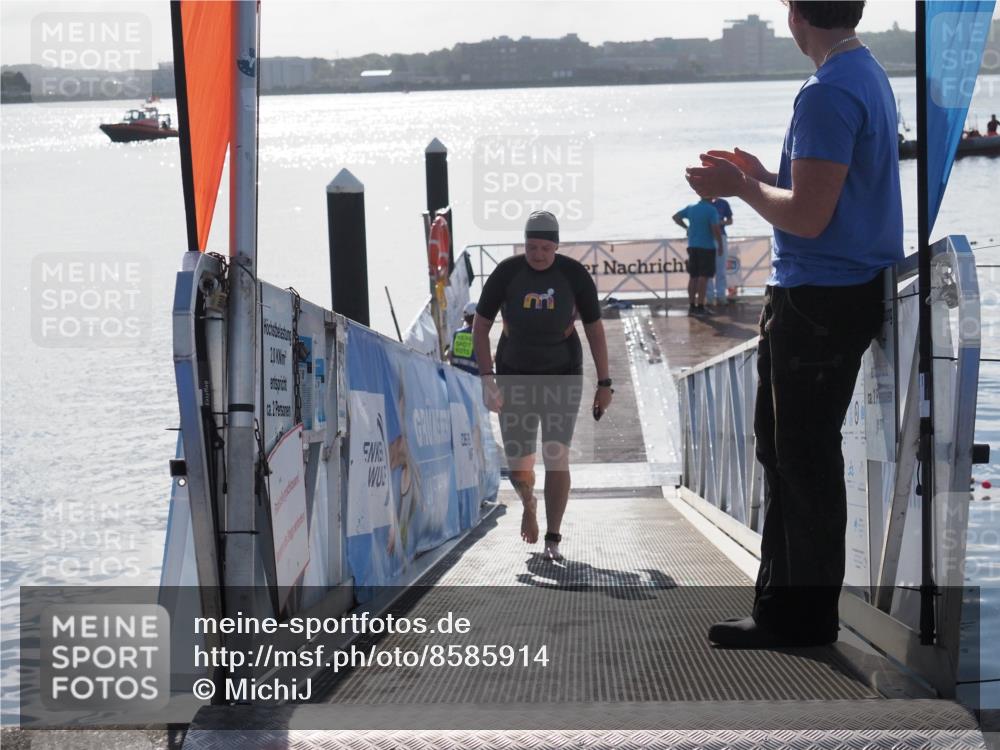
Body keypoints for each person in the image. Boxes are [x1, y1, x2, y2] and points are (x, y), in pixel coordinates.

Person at [685, 0, 903, 648]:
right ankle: (786, 608)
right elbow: (826, 194)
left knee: (799, 459)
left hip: (819, 298)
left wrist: (739, 188)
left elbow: (807, 219)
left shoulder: (828, 91)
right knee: (786, 452)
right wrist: (761, 177)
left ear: (794, 15)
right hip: (836, 292)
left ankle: (801, 618)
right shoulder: (865, 75)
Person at [472, 210, 612, 561]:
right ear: (524, 244)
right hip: (513, 372)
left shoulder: (573, 274)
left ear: (556, 246)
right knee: (519, 461)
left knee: (556, 455)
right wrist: (487, 377)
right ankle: (528, 505)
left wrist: (605, 382)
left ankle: (553, 536)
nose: (537, 254)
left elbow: (595, 328)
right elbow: (480, 325)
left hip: (562, 372)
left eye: (545, 247)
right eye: (531, 246)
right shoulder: (507, 272)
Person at [672, 194, 723, 315]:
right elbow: (715, 229)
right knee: (703, 277)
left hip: (692, 246)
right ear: (711, 197)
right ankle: (700, 305)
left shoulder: (691, 207)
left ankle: (691, 305)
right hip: (707, 246)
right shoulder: (711, 210)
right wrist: (720, 245)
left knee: (693, 276)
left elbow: (676, 217)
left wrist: (687, 228)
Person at [707, 198, 734, 305]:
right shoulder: (705, 203)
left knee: (721, 268)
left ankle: (721, 296)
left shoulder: (723, 203)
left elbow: (730, 220)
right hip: (707, 237)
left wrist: (719, 222)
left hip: (721, 236)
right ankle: (709, 297)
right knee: (708, 269)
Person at [448, 301, 480, 375]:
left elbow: (450, 355)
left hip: (457, 377)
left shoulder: (457, 333)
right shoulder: (479, 335)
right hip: (474, 379)